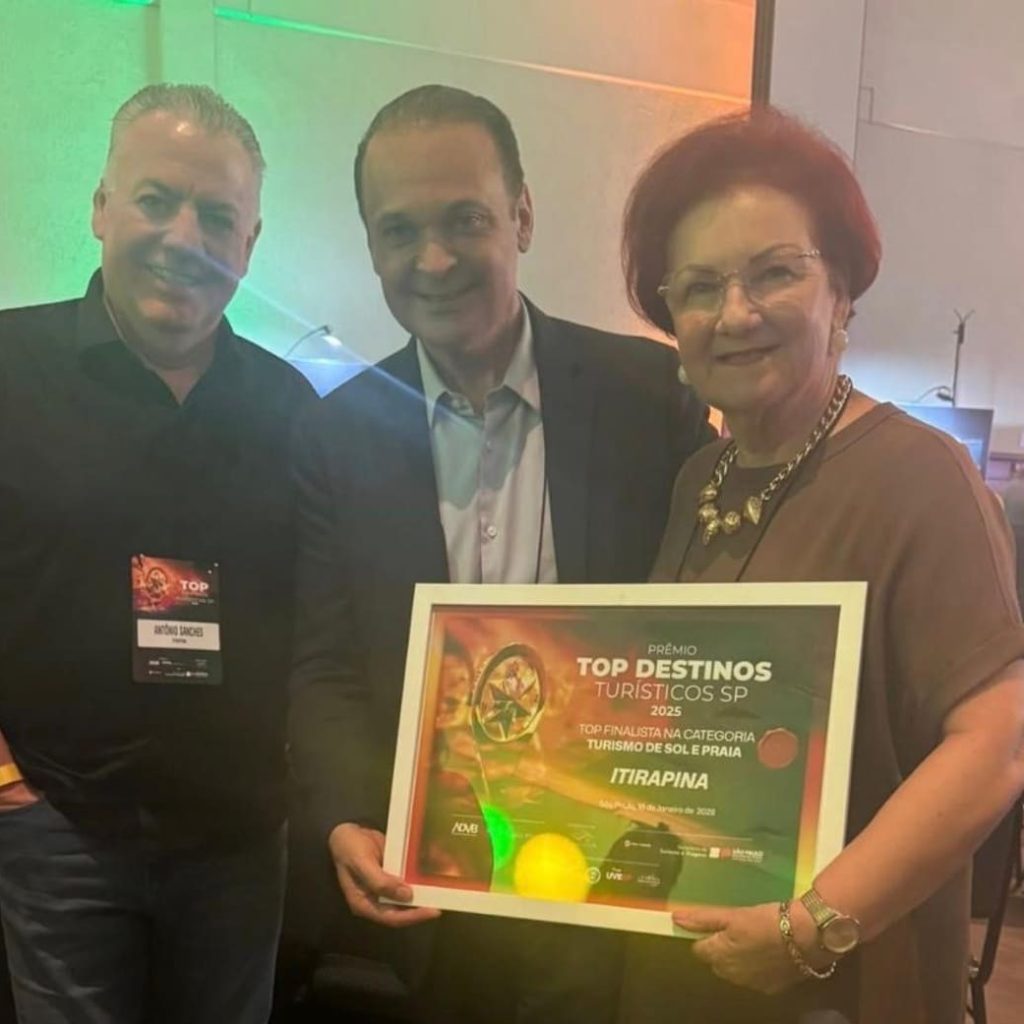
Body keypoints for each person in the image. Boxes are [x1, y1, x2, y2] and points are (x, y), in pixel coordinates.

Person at [286, 84, 714, 1023]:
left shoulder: (651, 397)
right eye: (399, 230)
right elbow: (324, 661)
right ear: (371, 246)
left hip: (617, 890)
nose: (433, 259)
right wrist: (342, 814)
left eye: (465, 219)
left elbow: (710, 620)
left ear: (521, 215)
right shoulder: (335, 434)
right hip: (432, 896)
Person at [616, 106, 1024, 1024]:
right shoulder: (698, 479)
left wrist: (811, 927)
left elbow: (996, 744)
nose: (735, 314)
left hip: (843, 980)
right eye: (699, 287)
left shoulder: (920, 475)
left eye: (774, 273)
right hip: (693, 967)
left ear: (840, 293)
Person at [0, 84, 314, 1023]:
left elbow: (323, 616)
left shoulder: (292, 409)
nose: (185, 238)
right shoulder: (8, 371)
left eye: (217, 216)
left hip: (238, 846)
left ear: (249, 244)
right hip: (59, 830)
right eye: (155, 200)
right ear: (101, 208)